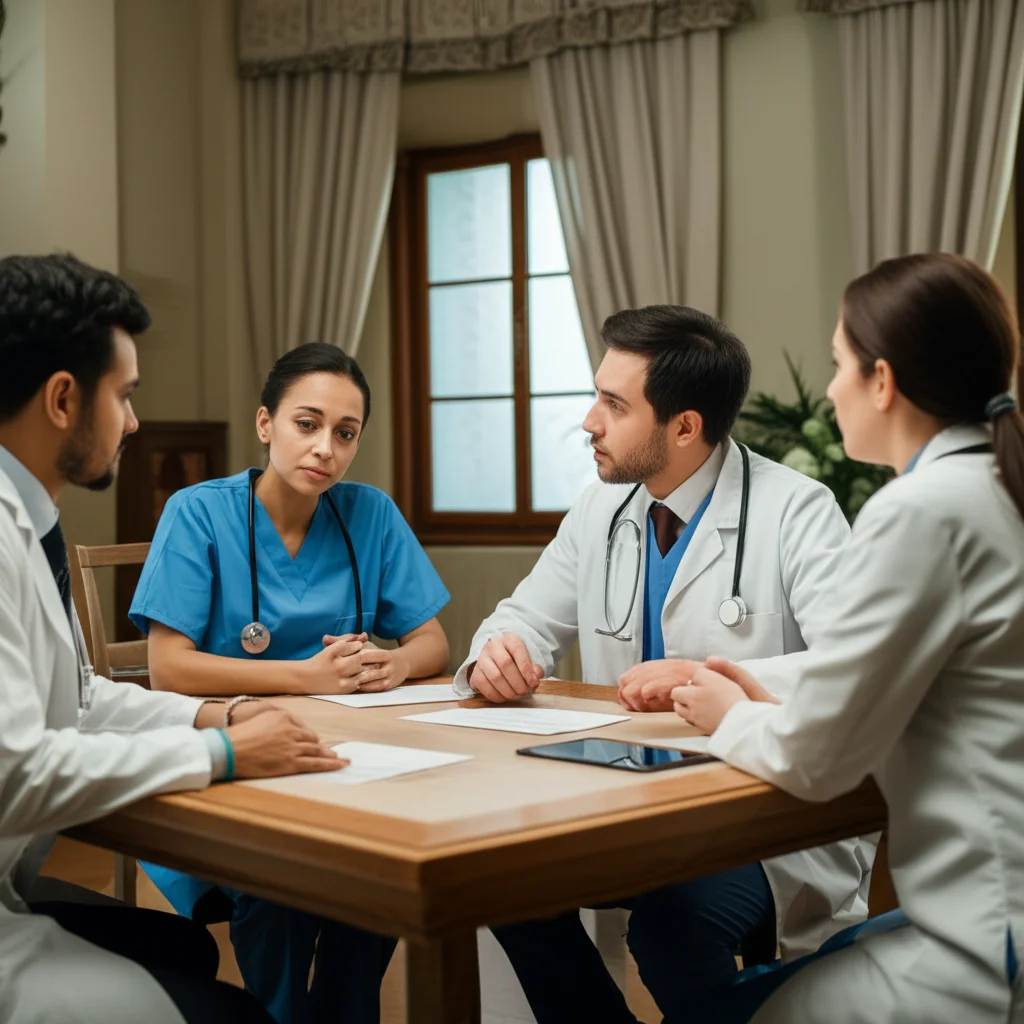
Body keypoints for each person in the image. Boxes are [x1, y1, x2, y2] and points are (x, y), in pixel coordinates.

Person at [453, 306, 876, 1023]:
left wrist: (708, 682)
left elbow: (856, 668)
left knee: (672, 927)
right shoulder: (599, 509)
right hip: (625, 808)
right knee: (501, 887)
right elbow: (524, 616)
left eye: (614, 405)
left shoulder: (797, 512)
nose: (588, 421)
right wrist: (500, 654)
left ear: (684, 427)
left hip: (760, 819)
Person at [669, 253, 1024, 1024]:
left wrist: (730, 712)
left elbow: (818, 759)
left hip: (991, 939)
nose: (830, 389)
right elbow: (931, 682)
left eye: (839, 364)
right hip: (998, 907)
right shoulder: (998, 489)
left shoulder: (921, 511)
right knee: (831, 954)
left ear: (884, 382)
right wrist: (777, 699)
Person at [0, 253, 346, 1024]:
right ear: (63, 398)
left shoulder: (27, 520)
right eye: (123, 397)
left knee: (185, 952)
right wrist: (221, 755)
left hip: (14, 878)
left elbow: (80, 700)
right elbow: (13, 771)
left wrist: (214, 717)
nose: (132, 422)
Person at [128, 341, 451, 1023]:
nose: (324, 449)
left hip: (348, 764)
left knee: (384, 869)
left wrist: (396, 663)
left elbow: (433, 643)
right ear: (265, 424)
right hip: (230, 769)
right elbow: (168, 668)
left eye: (345, 433)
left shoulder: (369, 513)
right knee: (277, 886)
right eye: (307, 424)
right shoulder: (198, 513)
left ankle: (343, 1008)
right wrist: (304, 678)